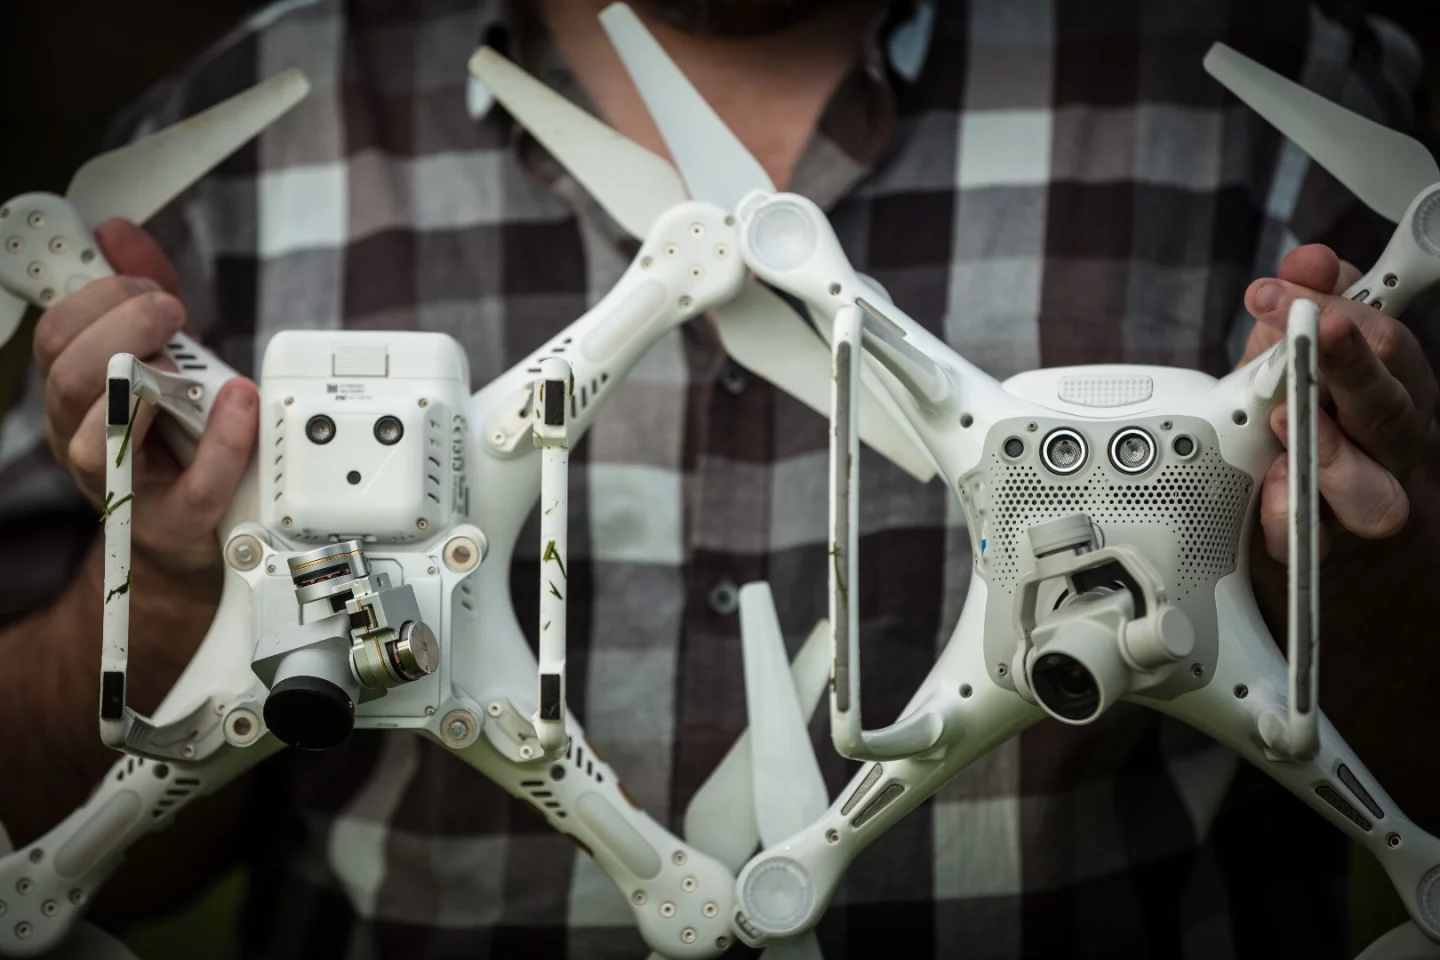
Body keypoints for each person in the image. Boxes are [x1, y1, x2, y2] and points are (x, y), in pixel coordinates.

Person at [1, 0, 1437, 955]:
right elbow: (64, 841)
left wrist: (1366, 584)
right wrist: (181, 584)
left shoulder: (1274, 88)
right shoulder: (243, 132)